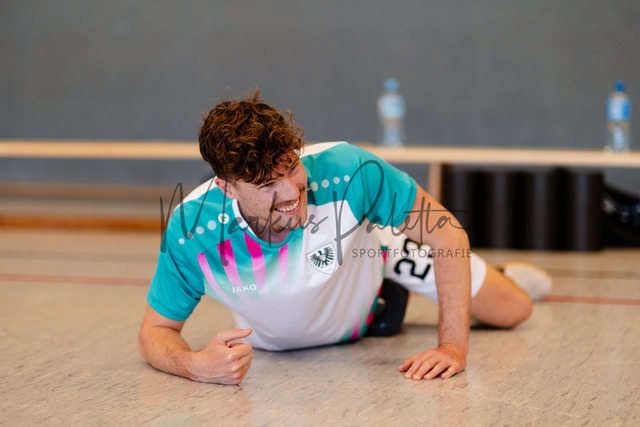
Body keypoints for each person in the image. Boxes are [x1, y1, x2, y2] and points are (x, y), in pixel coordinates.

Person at [138, 90, 553, 385]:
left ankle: (500, 276)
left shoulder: (349, 168)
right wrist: (196, 366)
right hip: (317, 309)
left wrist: (451, 347)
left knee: (513, 309)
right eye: (267, 185)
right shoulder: (192, 229)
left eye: (291, 168)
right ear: (227, 188)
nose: (290, 193)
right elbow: (155, 331)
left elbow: (447, 233)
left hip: (372, 248)